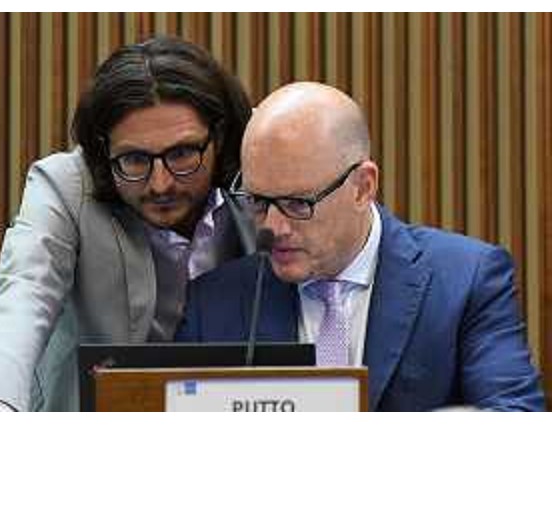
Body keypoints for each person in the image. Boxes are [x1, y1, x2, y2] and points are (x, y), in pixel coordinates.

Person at [176, 81, 545, 411]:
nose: (273, 228)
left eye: (297, 203)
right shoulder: (214, 303)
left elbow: (516, 419)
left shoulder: (465, 280)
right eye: (258, 201)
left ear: (363, 187)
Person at [0, 35, 255, 411]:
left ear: (221, 137)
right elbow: (23, 291)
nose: (160, 184)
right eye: (134, 160)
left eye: (182, 154)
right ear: (103, 151)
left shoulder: (257, 168)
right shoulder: (66, 185)